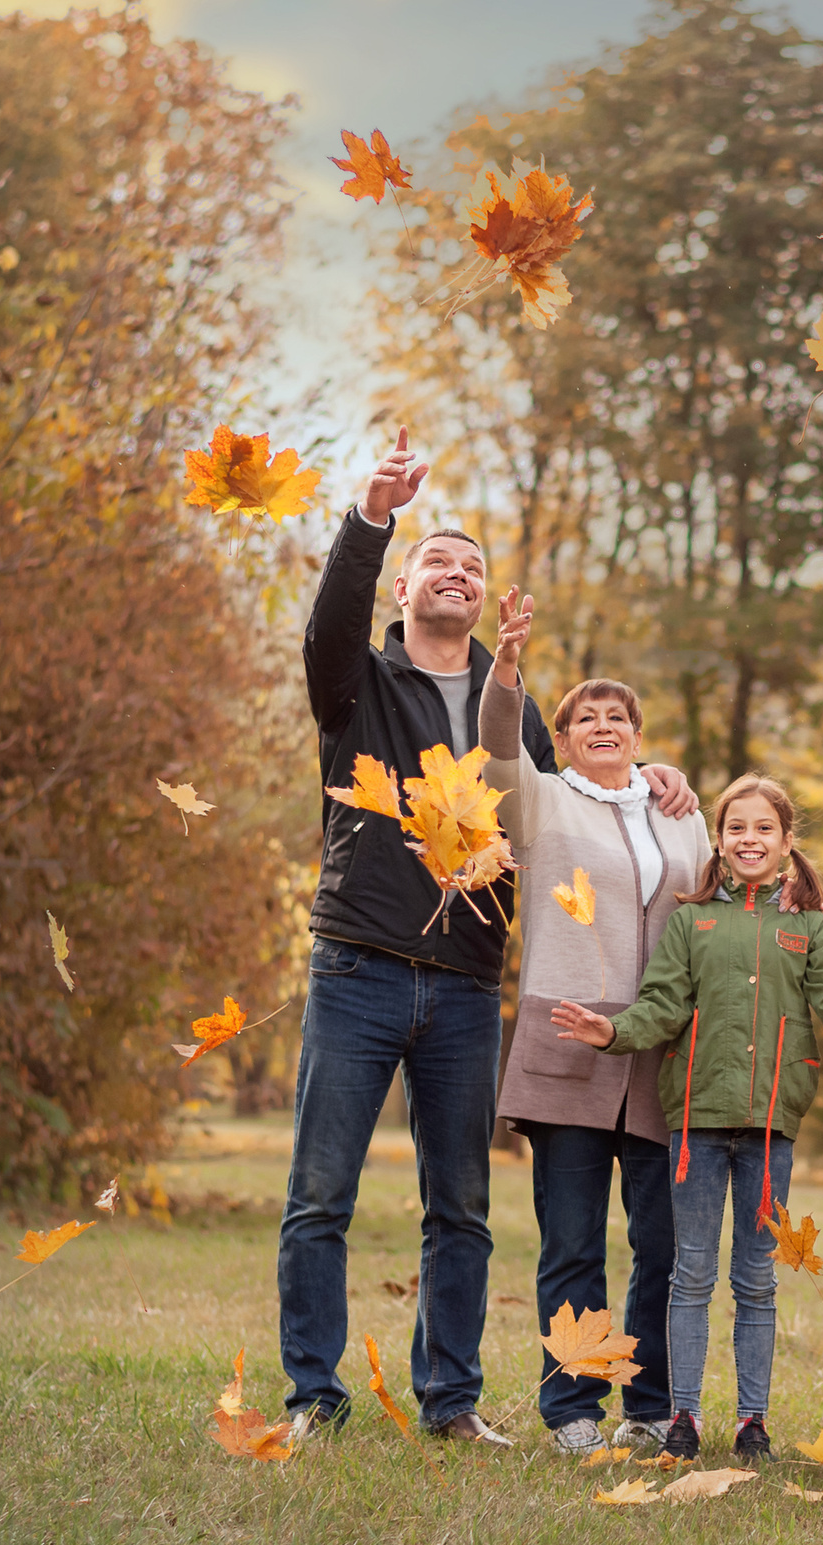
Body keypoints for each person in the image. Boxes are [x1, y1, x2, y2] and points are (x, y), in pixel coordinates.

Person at [282, 428, 695, 1446]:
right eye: (439, 560)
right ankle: (311, 1397)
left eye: (472, 565)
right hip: (358, 967)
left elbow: (578, 819)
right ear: (404, 590)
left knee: (459, 1208)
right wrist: (372, 516)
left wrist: (657, 782)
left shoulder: (522, 720)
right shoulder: (359, 687)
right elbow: (326, 626)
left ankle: (451, 1402)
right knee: (321, 1193)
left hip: (467, 987)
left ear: (484, 599)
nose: (457, 573)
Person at [549, 776, 823, 1463]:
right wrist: (613, 1033)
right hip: (698, 1125)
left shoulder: (806, 928)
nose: (750, 839)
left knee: (755, 1278)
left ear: (786, 841)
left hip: (772, 1124)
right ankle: (683, 1414)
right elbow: (661, 1004)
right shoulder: (691, 921)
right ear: (719, 838)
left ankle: (752, 1421)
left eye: (763, 828)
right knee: (691, 1274)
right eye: (737, 827)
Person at [478, 586, 710, 1456]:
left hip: (659, 1051)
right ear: (565, 739)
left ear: (640, 738)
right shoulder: (540, 802)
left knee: (660, 1244)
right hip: (566, 1037)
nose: (604, 725)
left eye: (619, 716)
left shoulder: (680, 818)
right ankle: (572, 1409)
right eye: (586, 718)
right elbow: (500, 751)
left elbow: (718, 916)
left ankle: (650, 1407)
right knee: (572, 1242)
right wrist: (507, 670)